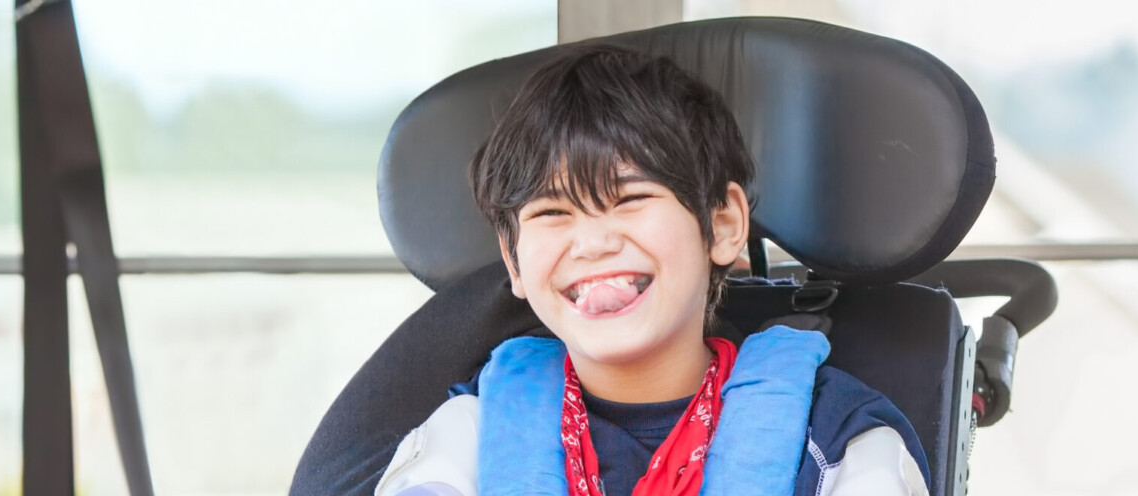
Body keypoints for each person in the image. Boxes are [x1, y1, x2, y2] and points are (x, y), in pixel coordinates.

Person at [374, 44, 929, 496]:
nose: (591, 243)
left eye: (630, 198)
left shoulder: (837, 441)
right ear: (512, 259)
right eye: (551, 212)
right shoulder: (470, 435)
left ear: (723, 223)